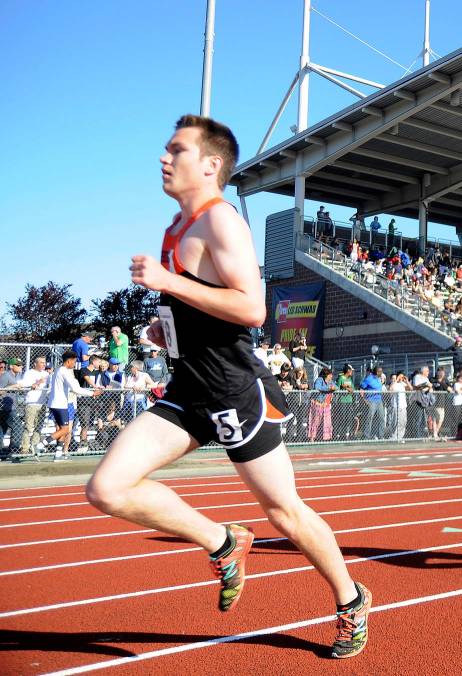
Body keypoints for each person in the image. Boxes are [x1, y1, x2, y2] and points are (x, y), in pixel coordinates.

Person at [84, 115, 369, 659]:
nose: (164, 159)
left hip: (235, 391)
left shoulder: (222, 222)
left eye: (176, 150)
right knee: (106, 489)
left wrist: (167, 283)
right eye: (164, 150)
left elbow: (253, 308)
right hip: (187, 385)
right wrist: (163, 325)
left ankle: (352, 600)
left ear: (211, 164)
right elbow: (197, 305)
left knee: (284, 513)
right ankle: (222, 541)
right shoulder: (175, 225)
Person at [48, 350, 100, 461]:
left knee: (63, 429)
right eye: (74, 361)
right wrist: (92, 393)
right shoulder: (64, 371)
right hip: (60, 405)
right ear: (69, 361)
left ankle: (58, 454)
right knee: (65, 430)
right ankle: (41, 444)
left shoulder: (59, 370)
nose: (74, 363)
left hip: (56, 404)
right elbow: (76, 389)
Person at [17, 356, 50, 458]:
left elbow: (50, 387)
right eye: (41, 363)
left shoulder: (46, 374)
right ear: (35, 364)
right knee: (28, 427)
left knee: (38, 428)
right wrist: (37, 383)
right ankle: (25, 449)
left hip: (42, 404)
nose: (44, 365)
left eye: (44, 363)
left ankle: (34, 447)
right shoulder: (29, 373)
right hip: (31, 403)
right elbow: (24, 385)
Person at [0, 358, 25, 459]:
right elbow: (0, 391)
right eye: (18, 365)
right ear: (11, 366)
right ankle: (14, 449)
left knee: (3, 428)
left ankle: (2, 451)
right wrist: (13, 386)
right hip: (3, 407)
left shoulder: (18, 375)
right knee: (18, 425)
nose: (21, 367)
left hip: (11, 407)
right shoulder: (6, 375)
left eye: (21, 365)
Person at [360, 366, 386, 440]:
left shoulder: (379, 379)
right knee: (369, 419)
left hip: (379, 401)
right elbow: (361, 388)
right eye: (380, 371)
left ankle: (381, 436)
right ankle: (366, 436)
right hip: (371, 401)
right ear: (376, 372)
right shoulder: (369, 379)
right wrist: (364, 399)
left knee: (381, 418)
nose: (381, 373)